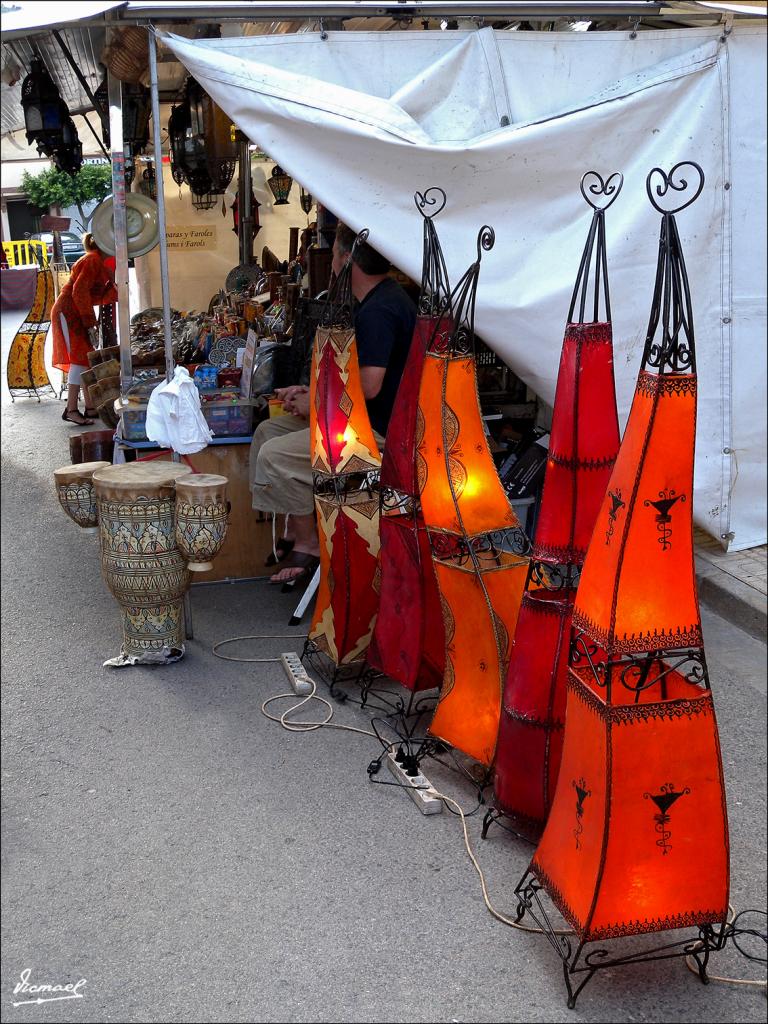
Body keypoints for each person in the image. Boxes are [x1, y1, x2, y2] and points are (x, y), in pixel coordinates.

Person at [250, 223, 417, 585]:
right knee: (268, 431)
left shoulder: (380, 311)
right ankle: (297, 529)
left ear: (345, 258)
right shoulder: (375, 301)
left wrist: (313, 400)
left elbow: (369, 388)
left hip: (375, 434)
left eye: (334, 252)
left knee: (275, 454)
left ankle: (309, 544)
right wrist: (307, 390)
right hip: (356, 421)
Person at [51, 232, 118, 426]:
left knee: (84, 359)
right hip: (69, 310)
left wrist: (112, 283)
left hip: (76, 311)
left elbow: (95, 296)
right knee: (80, 360)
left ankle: (89, 407)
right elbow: (79, 292)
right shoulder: (92, 260)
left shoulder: (97, 262)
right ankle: (71, 409)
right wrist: (90, 322)